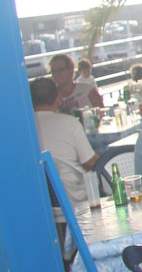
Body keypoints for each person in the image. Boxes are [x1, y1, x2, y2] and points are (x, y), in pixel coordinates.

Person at [30, 76, 98, 205]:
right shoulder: (70, 123)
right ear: (58, 98)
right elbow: (90, 163)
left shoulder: (24, 128)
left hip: (42, 201)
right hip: (76, 198)